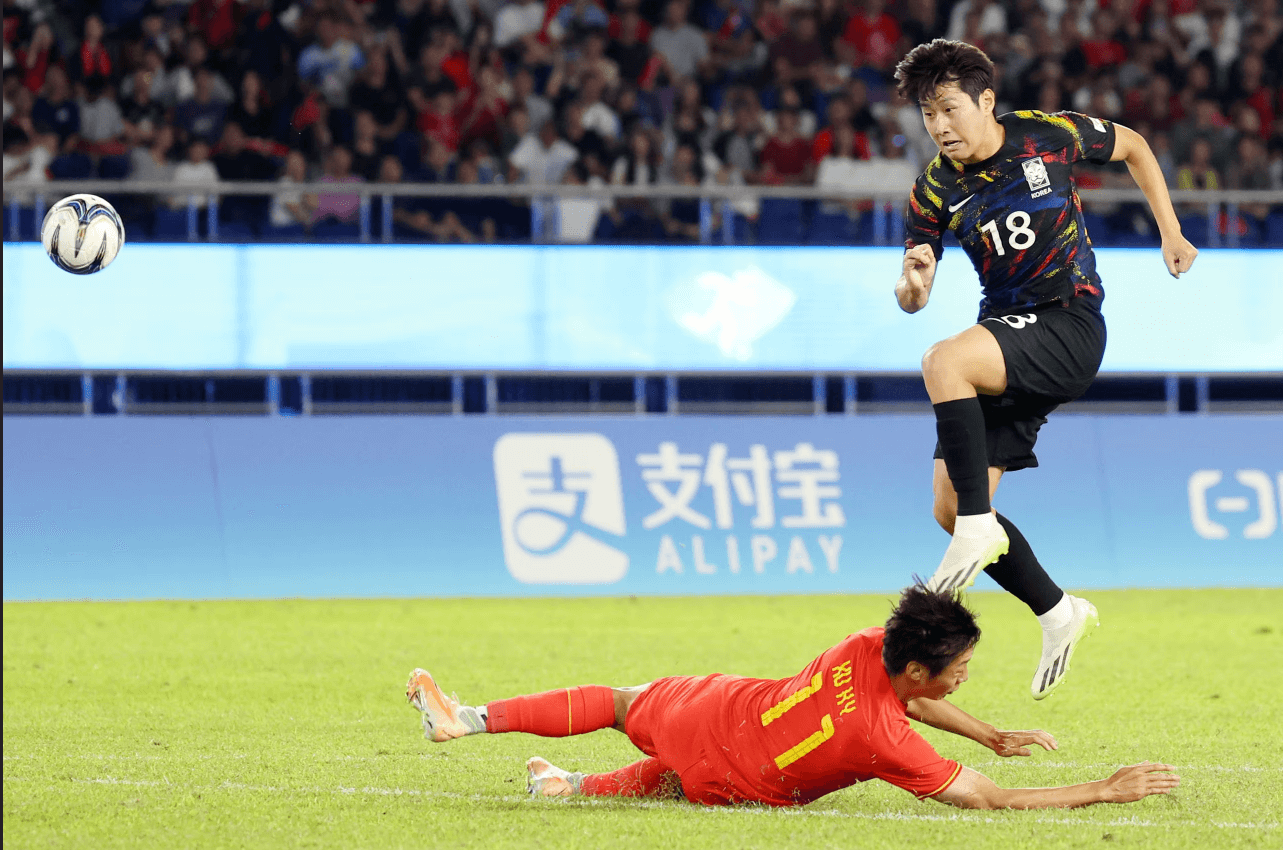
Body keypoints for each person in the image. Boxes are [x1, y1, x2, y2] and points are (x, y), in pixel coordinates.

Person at [891, 40, 1198, 699]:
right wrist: (911, 287)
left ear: (985, 101)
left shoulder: (1046, 135)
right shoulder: (932, 188)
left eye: (949, 108)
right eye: (927, 114)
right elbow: (914, 287)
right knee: (950, 506)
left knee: (943, 362)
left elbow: (1136, 146)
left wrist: (1170, 231)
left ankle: (979, 529)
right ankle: (1058, 611)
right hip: (1007, 337)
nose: (939, 126)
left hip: (1068, 321)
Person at [405, 585, 1180, 810]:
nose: (964, 677)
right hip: (735, 782)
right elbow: (990, 800)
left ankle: (469, 719)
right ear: (916, 671)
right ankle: (567, 788)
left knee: (616, 702)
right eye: (961, 667)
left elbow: (910, 696)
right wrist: (1101, 790)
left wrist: (985, 732)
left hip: (709, 711)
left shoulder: (864, 644)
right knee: (681, 780)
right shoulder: (885, 740)